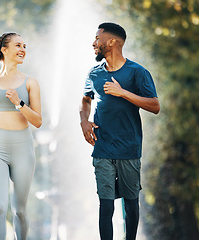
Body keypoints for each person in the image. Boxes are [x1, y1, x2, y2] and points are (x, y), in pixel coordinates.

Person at [79, 22, 160, 240]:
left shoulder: (137, 72)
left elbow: (155, 105)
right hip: (103, 148)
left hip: (129, 149)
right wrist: (84, 121)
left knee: (131, 206)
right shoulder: (94, 73)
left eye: (98, 38)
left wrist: (122, 92)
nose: (94, 43)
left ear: (113, 41)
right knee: (105, 207)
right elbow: (86, 100)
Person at [0, 32, 42, 240]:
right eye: (18, 45)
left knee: (19, 210)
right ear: (4, 50)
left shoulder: (30, 83)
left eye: (24, 46)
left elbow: (38, 121)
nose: (22, 49)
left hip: (23, 148)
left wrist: (19, 103)